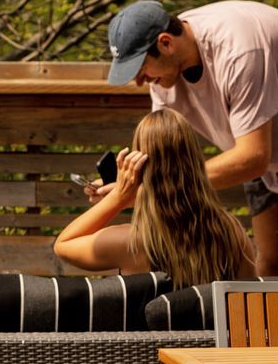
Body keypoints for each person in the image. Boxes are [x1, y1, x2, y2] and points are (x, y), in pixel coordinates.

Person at [104, 0, 278, 277]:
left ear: (166, 43)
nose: (138, 81)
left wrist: (163, 185)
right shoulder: (164, 72)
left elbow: (253, 158)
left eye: (140, 69)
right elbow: (165, 156)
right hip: (259, 143)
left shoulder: (239, 50)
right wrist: (128, 182)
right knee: (266, 263)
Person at [54, 109, 256, 287]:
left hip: (154, 330)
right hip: (211, 330)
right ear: (195, 162)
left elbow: (63, 244)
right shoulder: (230, 232)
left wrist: (118, 198)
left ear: (141, 170)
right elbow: (250, 298)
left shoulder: (131, 243)